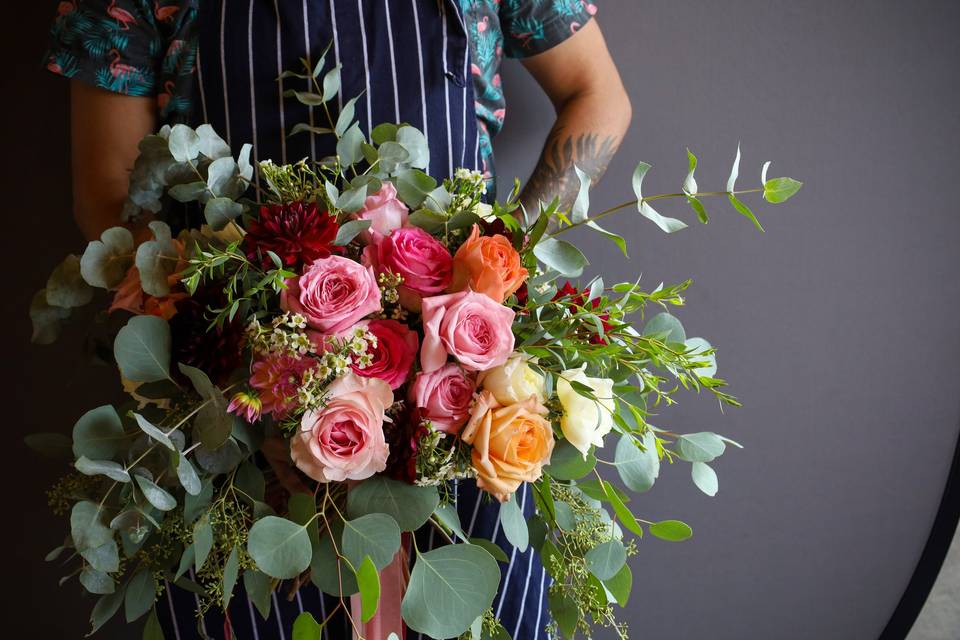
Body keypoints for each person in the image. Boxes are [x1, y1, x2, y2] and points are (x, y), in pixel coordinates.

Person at [46, 1, 631, 638]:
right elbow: (106, 191)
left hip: (469, 414)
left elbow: (597, 93)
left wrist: (500, 273)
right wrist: (254, 376)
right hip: (241, 435)